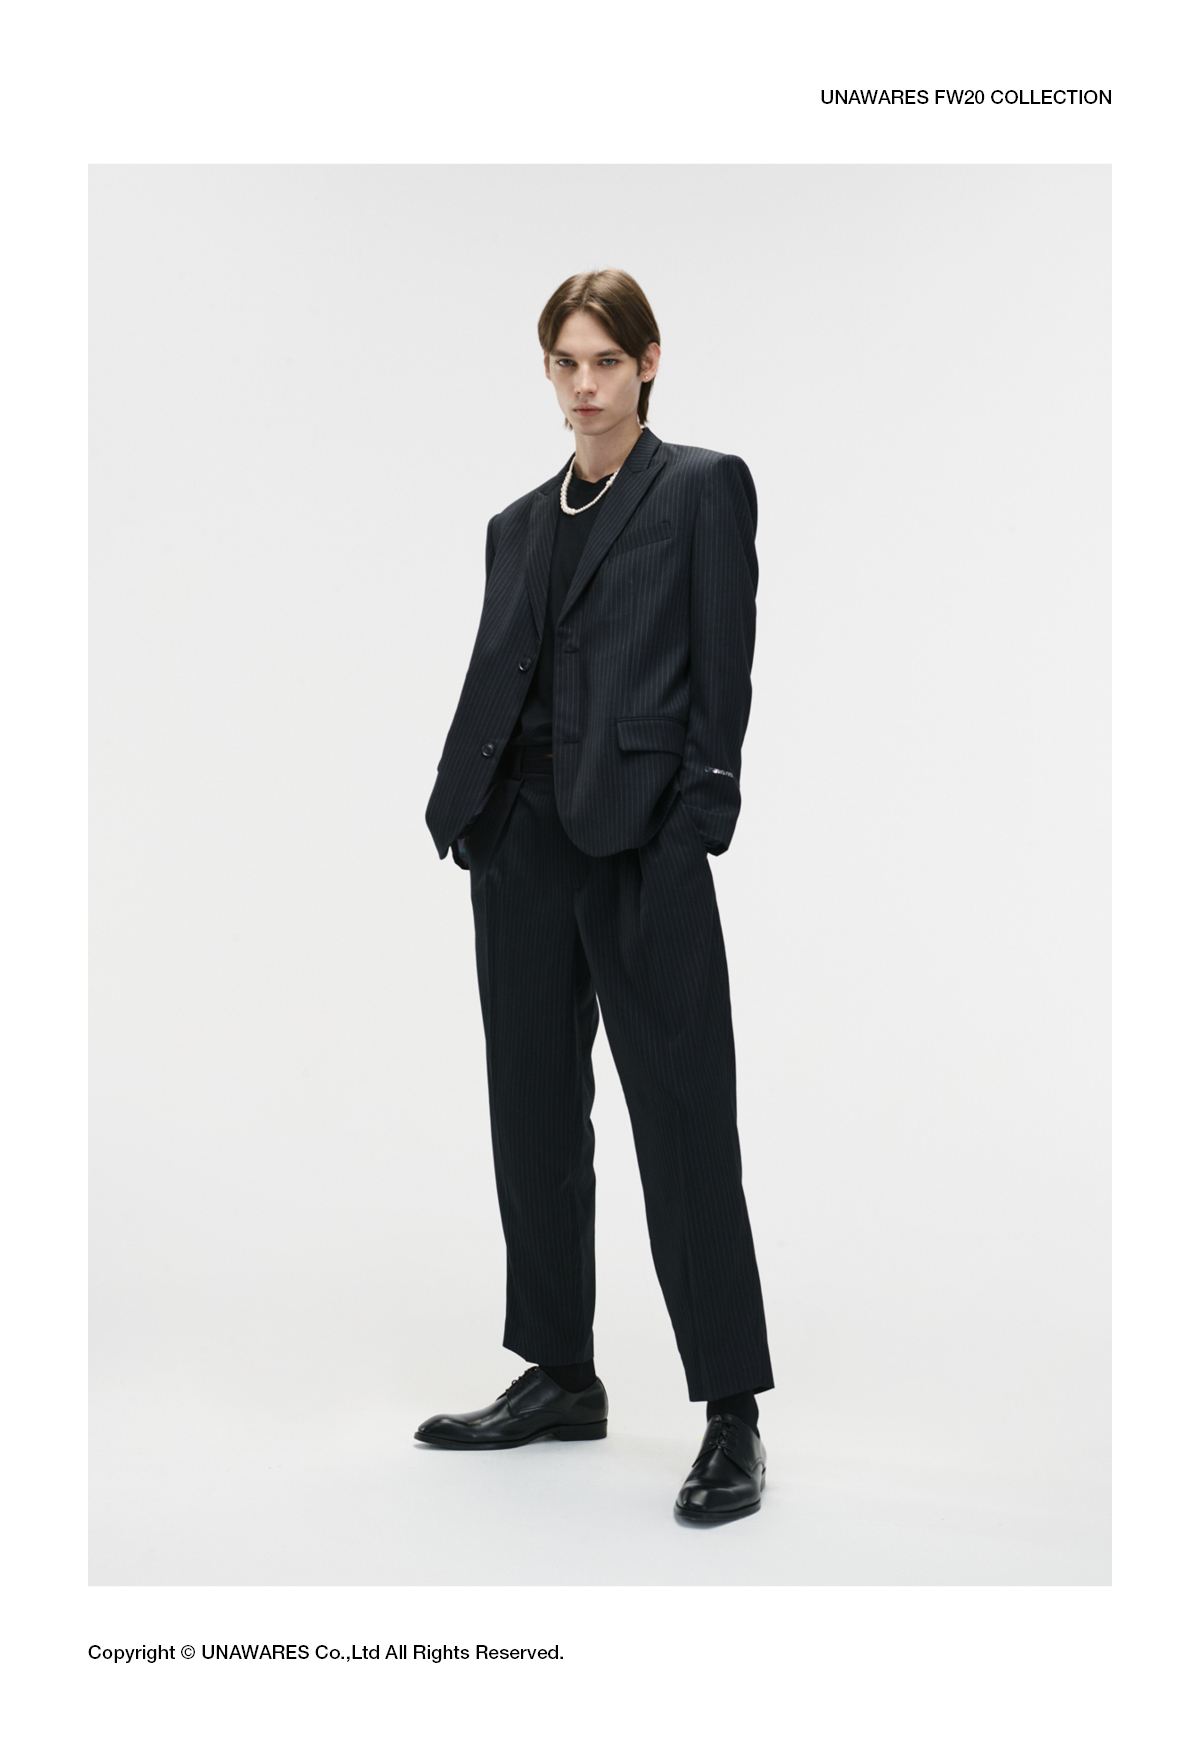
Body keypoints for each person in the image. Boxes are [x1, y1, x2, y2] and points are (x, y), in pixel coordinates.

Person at [420, 269, 773, 1524]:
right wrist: (468, 813)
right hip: (518, 847)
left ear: (648, 363)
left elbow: (723, 667)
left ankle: (731, 1412)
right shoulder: (516, 524)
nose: (585, 384)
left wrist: (698, 821)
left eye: (606, 361)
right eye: (566, 362)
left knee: (684, 1122)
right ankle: (559, 1374)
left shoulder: (700, 489)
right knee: (531, 1114)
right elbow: (503, 666)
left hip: (641, 847)